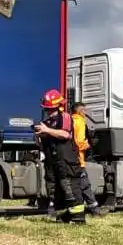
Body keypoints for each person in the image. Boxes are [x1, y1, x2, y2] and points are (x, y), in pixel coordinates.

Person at [34, 89, 86, 224]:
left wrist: (47, 130)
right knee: (54, 189)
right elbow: (43, 143)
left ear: (58, 106)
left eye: (50, 109)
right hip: (52, 160)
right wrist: (39, 136)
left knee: (69, 186)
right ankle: (63, 215)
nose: (48, 112)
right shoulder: (47, 122)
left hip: (66, 160)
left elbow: (65, 134)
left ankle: (78, 217)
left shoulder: (66, 117)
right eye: (46, 109)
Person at [70, 101, 106, 216]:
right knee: (85, 185)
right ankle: (95, 210)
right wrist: (89, 144)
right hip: (78, 159)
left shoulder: (69, 120)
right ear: (80, 111)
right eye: (84, 110)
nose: (86, 113)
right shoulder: (80, 122)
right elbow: (80, 143)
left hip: (69, 158)